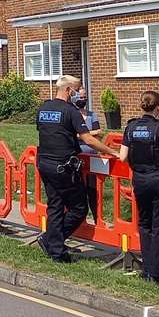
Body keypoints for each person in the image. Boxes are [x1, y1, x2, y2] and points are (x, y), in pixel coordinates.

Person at [36, 75, 118, 263]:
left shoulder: (43, 108)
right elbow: (88, 138)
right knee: (79, 208)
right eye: (77, 89)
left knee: (55, 206)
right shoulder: (70, 111)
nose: (79, 94)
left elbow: (49, 132)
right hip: (62, 166)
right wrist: (112, 152)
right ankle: (52, 242)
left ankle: (54, 248)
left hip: (45, 163)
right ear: (69, 90)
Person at [118, 90, 159, 283]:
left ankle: (147, 270)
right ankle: (158, 273)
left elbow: (122, 157)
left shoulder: (130, 128)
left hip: (140, 180)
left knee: (145, 225)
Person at [72, 87, 102, 221]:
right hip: (77, 156)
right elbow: (71, 134)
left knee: (93, 190)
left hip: (92, 156)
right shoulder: (72, 114)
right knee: (78, 190)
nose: (82, 99)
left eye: (84, 97)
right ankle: (79, 220)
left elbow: (98, 131)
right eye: (80, 97)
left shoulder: (92, 115)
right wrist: (87, 135)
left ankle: (97, 219)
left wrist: (82, 135)